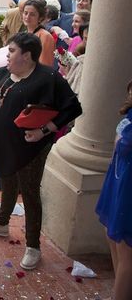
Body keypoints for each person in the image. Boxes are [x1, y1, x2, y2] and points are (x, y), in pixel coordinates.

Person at [0, 33, 82, 270]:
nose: (7, 55)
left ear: (27, 55)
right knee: (7, 180)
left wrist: (44, 131)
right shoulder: (5, 72)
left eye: (11, 51)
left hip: (30, 148)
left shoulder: (48, 78)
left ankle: (33, 246)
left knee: (30, 193)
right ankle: (2, 224)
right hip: (7, 146)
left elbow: (73, 107)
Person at [95, 80, 132, 300]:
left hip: (129, 188)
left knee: (126, 249)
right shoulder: (129, 116)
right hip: (118, 181)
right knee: (113, 239)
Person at [22, 0, 55, 67]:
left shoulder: (45, 36)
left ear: (40, 17)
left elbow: (45, 65)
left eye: (32, 14)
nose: (27, 17)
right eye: (25, 13)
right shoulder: (24, 33)